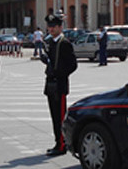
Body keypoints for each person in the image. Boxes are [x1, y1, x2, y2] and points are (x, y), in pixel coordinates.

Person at [40, 12, 77, 156]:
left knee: (60, 116)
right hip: (50, 84)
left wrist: (60, 73)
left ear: (60, 27)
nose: (51, 29)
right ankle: (57, 142)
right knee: (54, 116)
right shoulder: (49, 43)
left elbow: (73, 65)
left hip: (59, 85)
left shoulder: (65, 43)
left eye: (54, 26)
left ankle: (62, 145)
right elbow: (51, 61)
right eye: (49, 27)